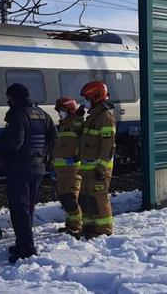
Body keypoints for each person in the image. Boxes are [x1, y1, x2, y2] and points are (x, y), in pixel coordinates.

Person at [0, 83, 57, 263]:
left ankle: (26, 250)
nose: (8, 101)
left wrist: (1, 151)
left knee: (20, 210)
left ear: (15, 97)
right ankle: (23, 243)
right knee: (28, 209)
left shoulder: (18, 115)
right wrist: (47, 158)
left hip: (20, 168)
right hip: (38, 167)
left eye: (9, 98)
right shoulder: (43, 114)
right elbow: (54, 138)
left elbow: (14, 142)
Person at [77, 81, 116, 239]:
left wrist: (101, 168)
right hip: (88, 169)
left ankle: (104, 230)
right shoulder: (93, 117)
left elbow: (109, 146)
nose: (84, 102)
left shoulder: (105, 117)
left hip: (97, 169)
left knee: (98, 199)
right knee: (86, 199)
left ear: (96, 97)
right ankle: (89, 227)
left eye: (86, 98)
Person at [52, 97, 85, 238]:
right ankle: (70, 225)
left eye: (62, 111)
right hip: (61, 170)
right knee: (64, 198)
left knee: (71, 199)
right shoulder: (63, 125)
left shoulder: (75, 123)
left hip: (72, 168)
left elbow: (84, 141)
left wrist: (78, 157)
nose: (60, 114)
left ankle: (77, 226)